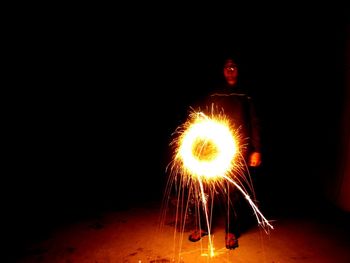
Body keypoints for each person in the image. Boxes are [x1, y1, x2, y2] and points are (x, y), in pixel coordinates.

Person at [188, 56, 262, 249]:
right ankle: (203, 227)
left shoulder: (246, 93)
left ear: (238, 69)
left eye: (234, 66)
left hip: (238, 150)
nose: (230, 70)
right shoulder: (213, 93)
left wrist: (256, 149)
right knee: (207, 189)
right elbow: (203, 118)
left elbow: (254, 121)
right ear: (222, 70)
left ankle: (231, 231)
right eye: (227, 67)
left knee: (233, 193)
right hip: (213, 149)